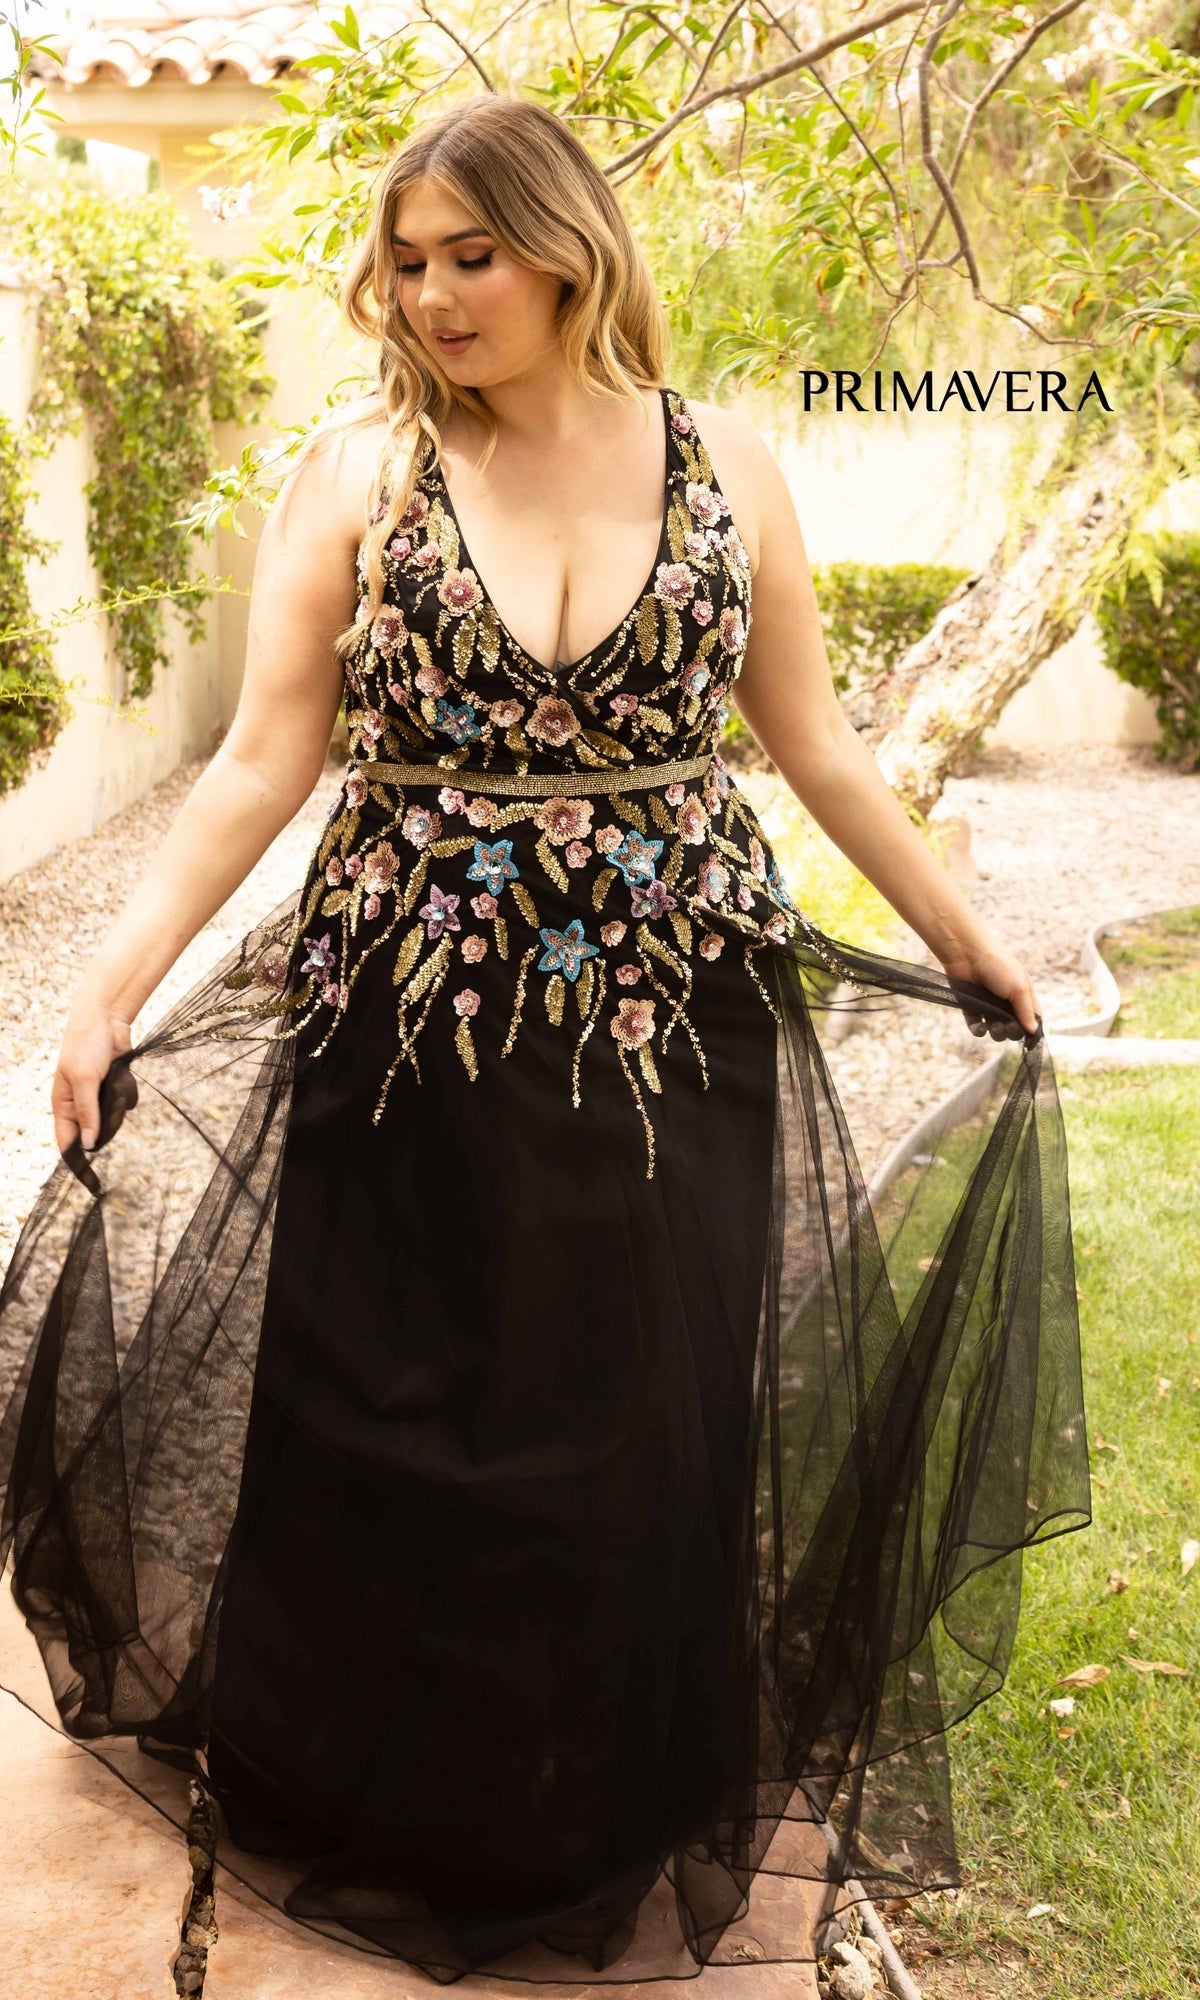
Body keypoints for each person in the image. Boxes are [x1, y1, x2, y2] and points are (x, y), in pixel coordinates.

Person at [0, 95, 1089, 1989]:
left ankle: (590, 1798)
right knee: (389, 1420)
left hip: (679, 1029)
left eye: (468, 255)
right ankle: (384, 1797)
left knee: (629, 1424)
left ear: (567, 246)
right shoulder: (360, 477)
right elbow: (266, 757)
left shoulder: (726, 463)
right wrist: (111, 988)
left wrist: (967, 934)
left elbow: (813, 741)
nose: (430, 296)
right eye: (405, 263)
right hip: (406, 1019)